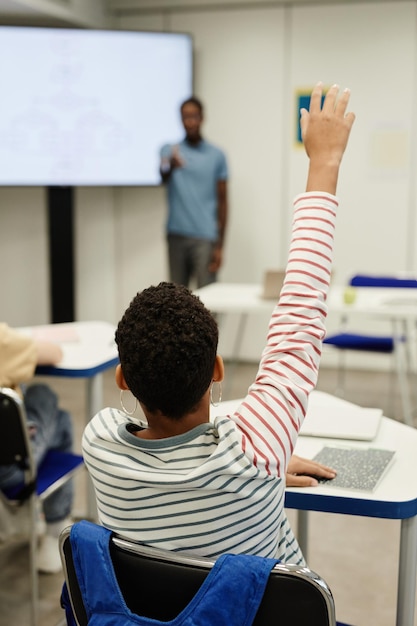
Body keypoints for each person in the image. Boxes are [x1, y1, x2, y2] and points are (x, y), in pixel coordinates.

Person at [83, 82, 355, 563]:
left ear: (122, 378)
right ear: (218, 369)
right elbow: (299, 320)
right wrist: (325, 161)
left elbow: (298, 325)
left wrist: (265, 461)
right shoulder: (256, 449)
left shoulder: (99, 444)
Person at [0, 323, 74, 573]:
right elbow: (54, 353)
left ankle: (53, 529)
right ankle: (56, 530)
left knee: (55, 418)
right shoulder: (3, 341)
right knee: (44, 397)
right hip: (9, 474)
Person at [160, 96, 228, 288]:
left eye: (194, 116)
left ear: (202, 118)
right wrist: (171, 165)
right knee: (175, 299)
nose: (190, 122)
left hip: (205, 237)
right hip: (176, 234)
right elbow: (163, 174)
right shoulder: (170, 151)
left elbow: (223, 202)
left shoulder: (217, 155)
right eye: (185, 117)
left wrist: (220, 245)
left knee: (209, 300)